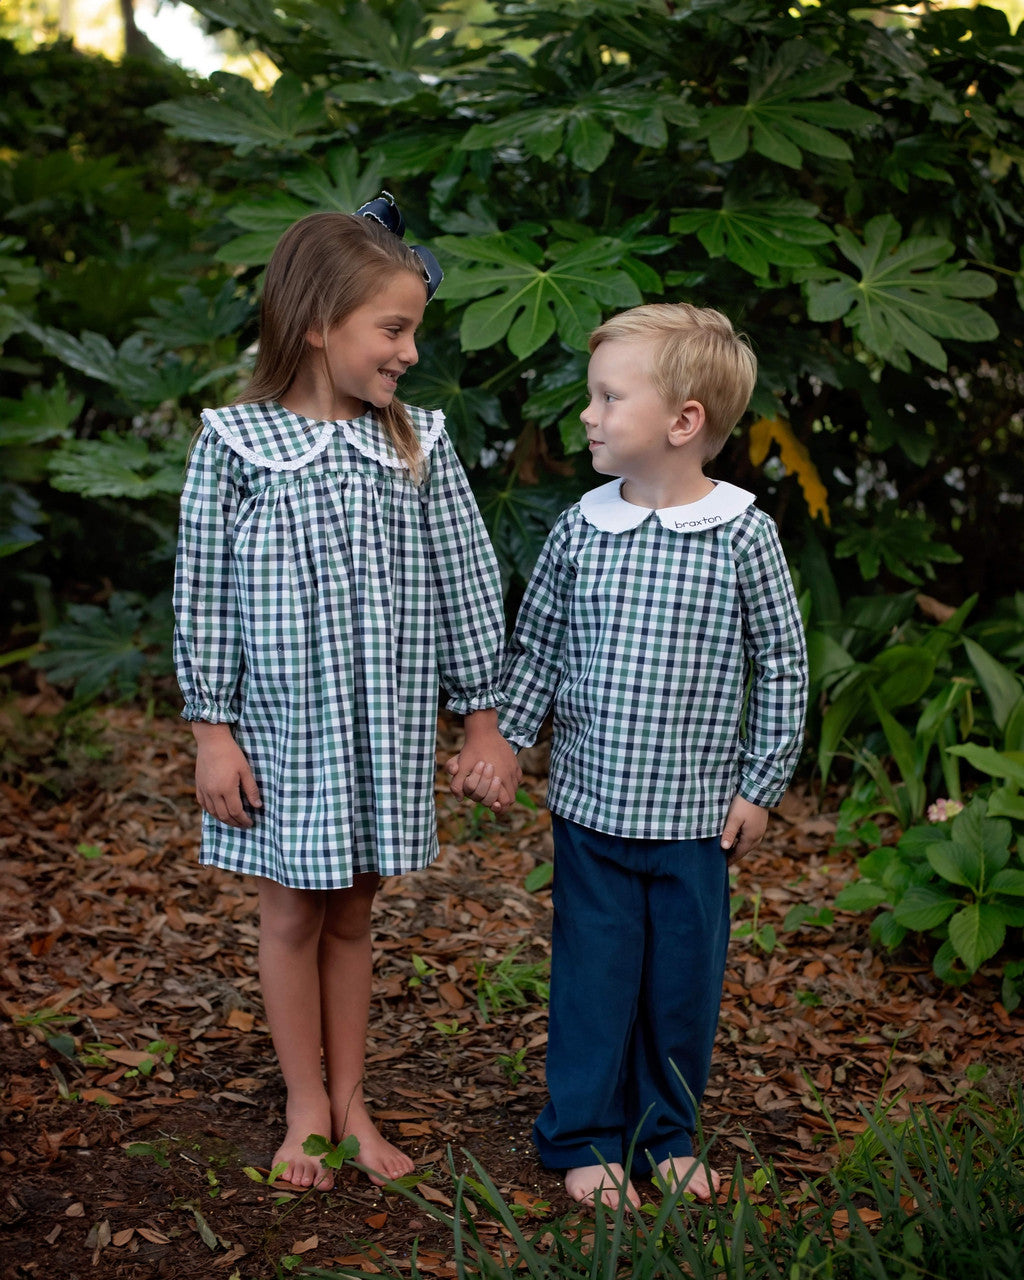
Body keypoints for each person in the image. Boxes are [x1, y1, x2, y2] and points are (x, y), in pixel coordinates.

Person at [173, 196, 521, 1191]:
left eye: (414, 329)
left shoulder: (416, 446)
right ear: (317, 321)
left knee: (357, 909)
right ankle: (305, 1106)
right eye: (394, 328)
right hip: (287, 732)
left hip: (385, 729)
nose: (409, 351)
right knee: (291, 911)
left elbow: (464, 579)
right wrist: (213, 731)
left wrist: (482, 717)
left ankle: (354, 1096)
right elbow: (203, 596)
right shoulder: (237, 446)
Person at [449, 303, 807, 1210]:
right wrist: (509, 740)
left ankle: (668, 1132)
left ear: (684, 421)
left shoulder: (741, 535)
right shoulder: (582, 528)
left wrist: (760, 785)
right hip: (594, 814)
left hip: (693, 820)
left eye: (609, 397)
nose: (589, 413)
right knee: (594, 980)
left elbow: (784, 666)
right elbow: (542, 647)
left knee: (681, 987)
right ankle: (584, 1136)